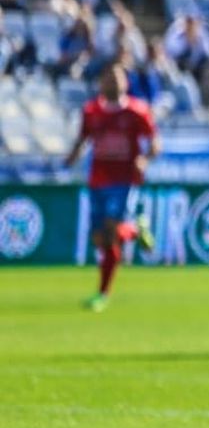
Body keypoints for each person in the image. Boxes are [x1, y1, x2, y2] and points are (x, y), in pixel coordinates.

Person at [63, 63, 158, 311]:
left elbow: (154, 142)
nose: (112, 83)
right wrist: (71, 158)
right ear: (101, 83)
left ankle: (102, 294)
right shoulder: (92, 111)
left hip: (124, 180)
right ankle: (135, 230)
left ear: (125, 82)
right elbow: (83, 139)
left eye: (117, 78)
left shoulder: (138, 111)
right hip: (98, 179)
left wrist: (144, 159)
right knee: (102, 240)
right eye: (108, 78)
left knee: (111, 230)